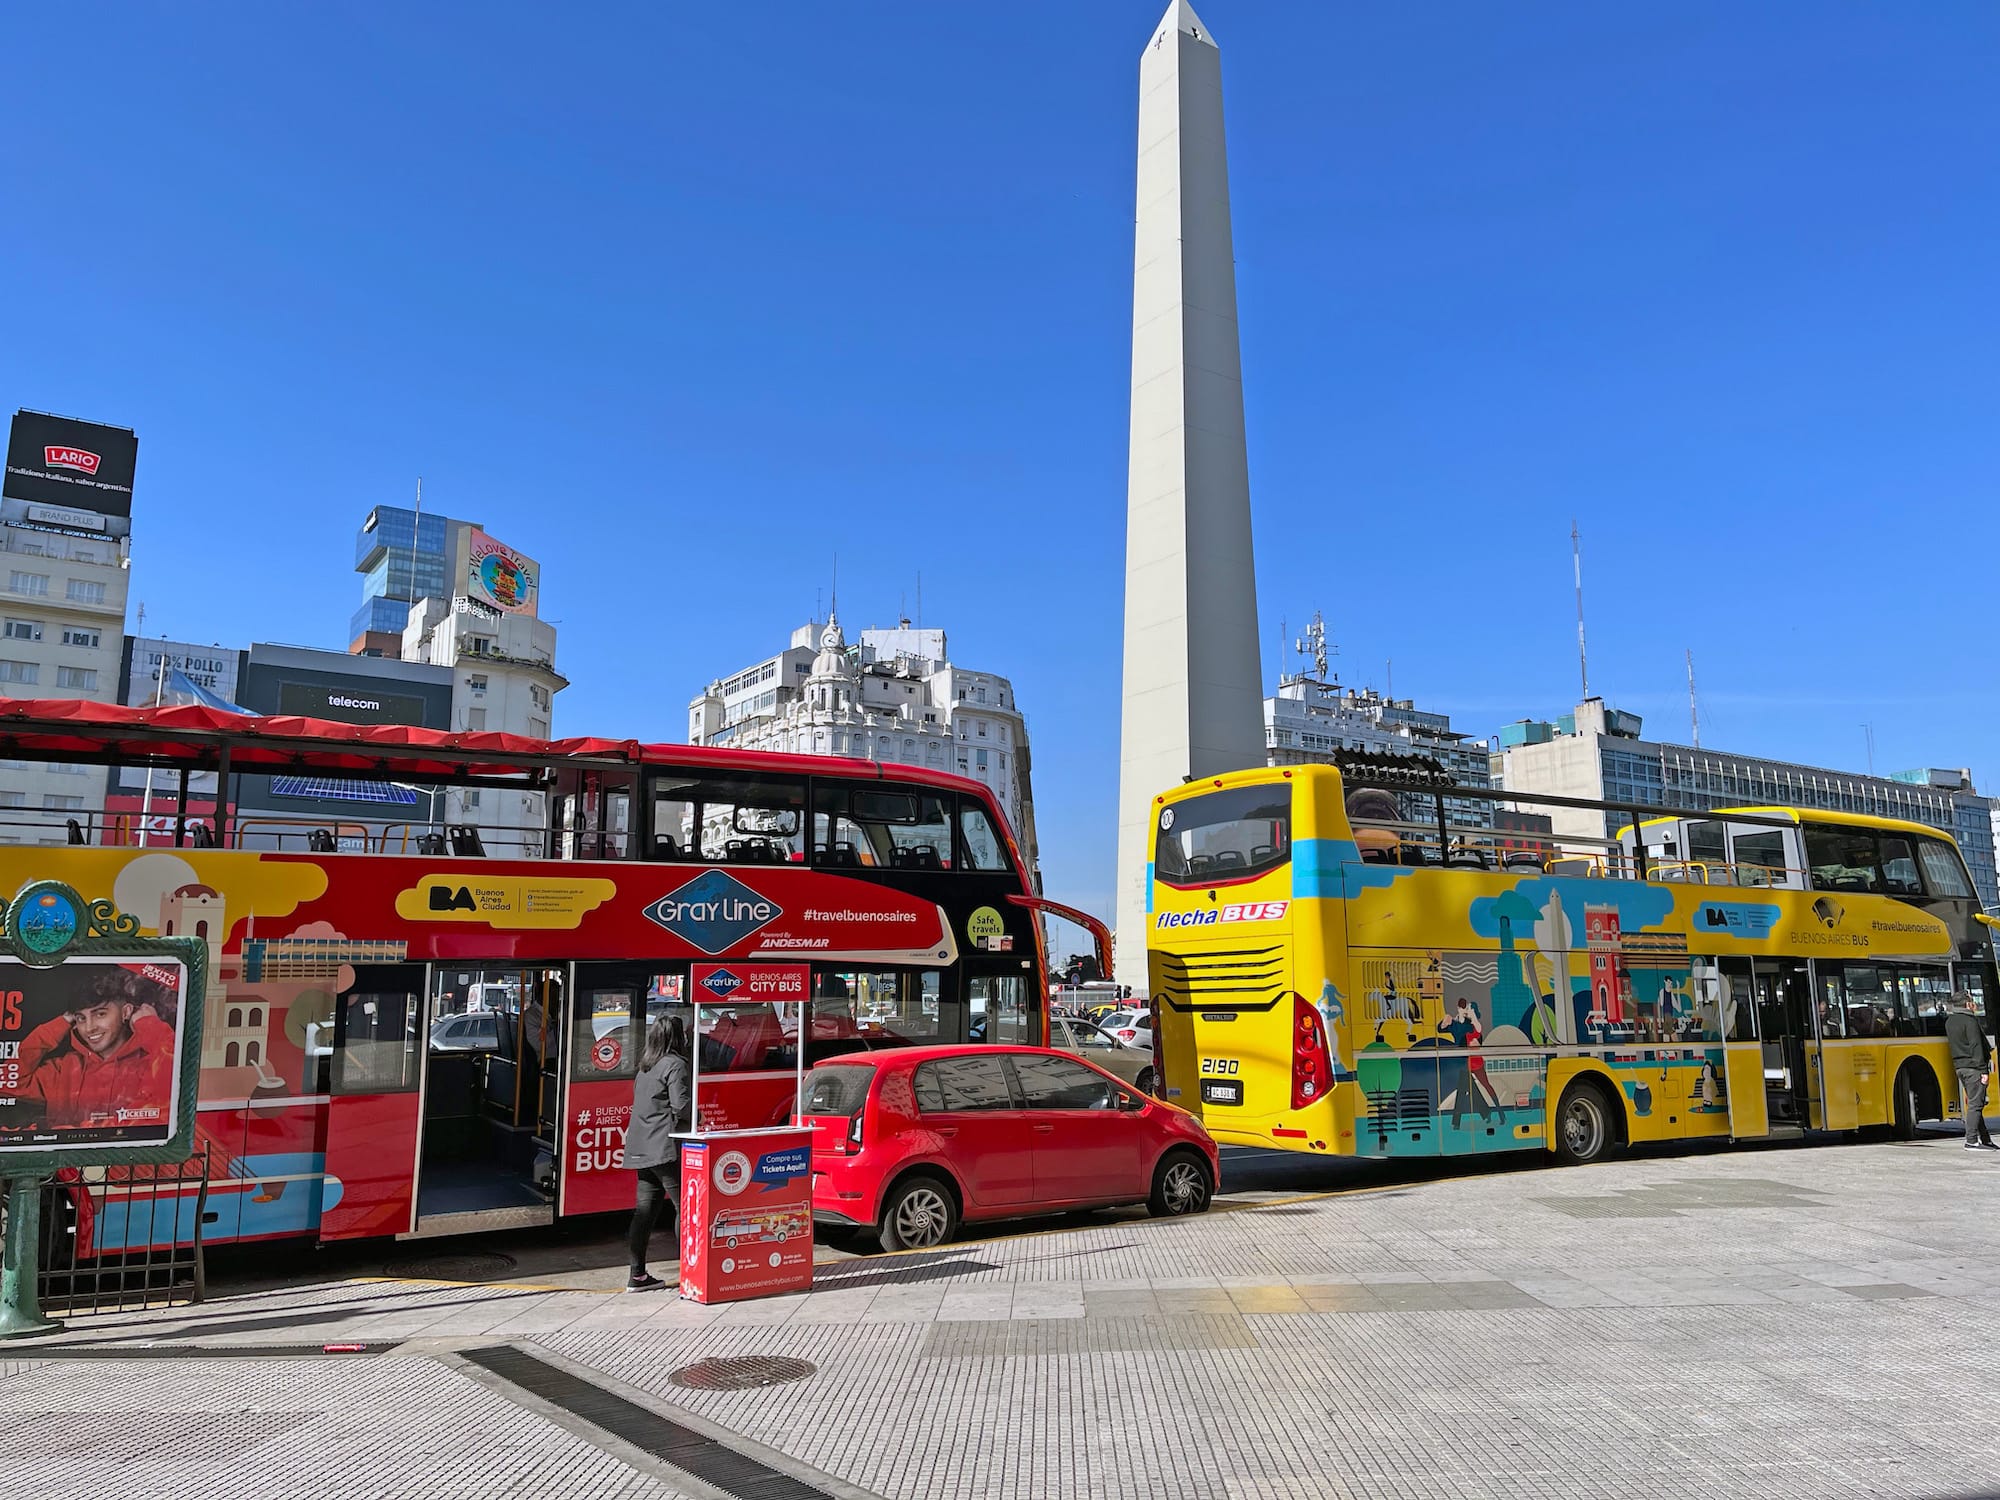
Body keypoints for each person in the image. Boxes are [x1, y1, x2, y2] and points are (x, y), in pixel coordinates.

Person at [6, 969, 176, 1131]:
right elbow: (12, 1081)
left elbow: (175, 1090)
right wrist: (61, 1023)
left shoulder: (151, 1065)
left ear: (126, 1012)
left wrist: (149, 1026)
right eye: (81, 1018)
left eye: (100, 1014)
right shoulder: (64, 1068)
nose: (89, 1028)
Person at [623, 1014, 692, 1291]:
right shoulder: (675, 1064)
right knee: (685, 1209)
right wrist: (698, 1115)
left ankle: (637, 1275)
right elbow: (682, 1105)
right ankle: (692, 1271)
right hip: (666, 1149)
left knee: (644, 1212)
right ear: (678, 1038)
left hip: (641, 1149)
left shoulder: (645, 1067)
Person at [1944, 990, 1996, 1151]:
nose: (1975, 1004)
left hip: (1960, 1067)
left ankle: (1985, 1140)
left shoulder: (1950, 1021)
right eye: (1972, 1001)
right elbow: (1976, 1046)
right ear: (1967, 1004)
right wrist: (1983, 1071)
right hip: (1974, 1068)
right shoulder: (1970, 1021)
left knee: (1975, 1102)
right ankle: (1971, 1140)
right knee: (1975, 1105)